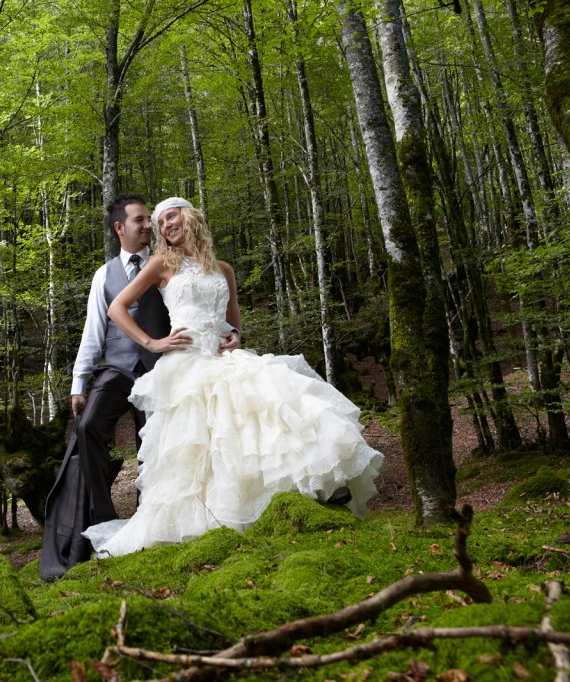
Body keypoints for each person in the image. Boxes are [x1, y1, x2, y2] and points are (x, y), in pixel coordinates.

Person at [81, 197, 383, 558]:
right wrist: (152, 342)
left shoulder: (223, 269)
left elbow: (234, 321)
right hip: (186, 363)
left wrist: (236, 336)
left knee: (274, 402)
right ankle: (204, 519)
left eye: (170, 217)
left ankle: (299, 493)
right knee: (198, 442)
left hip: (222, 357)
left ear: (190, 216)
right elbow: (116, 308)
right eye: (159, 223)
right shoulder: (163, 263)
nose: (164, 226)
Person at [40, 194, 236, 579]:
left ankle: (153, 512)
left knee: (159, 442)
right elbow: (93, 330)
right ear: (120, 228)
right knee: (89, 426)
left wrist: (225, 336)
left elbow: (208, 313)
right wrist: (79, 383)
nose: (151, 226)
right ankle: (100, 513)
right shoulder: (106, 274)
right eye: (142, 221)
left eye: (154, 220)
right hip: (118, 367)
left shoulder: (173, 262)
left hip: (164, 365)